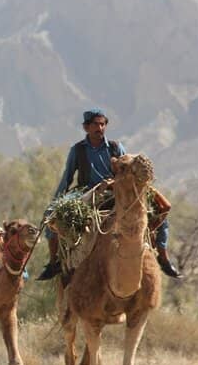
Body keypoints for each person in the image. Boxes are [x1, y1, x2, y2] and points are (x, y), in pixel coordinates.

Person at [37, 108, 182, 280]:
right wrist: (56, 202)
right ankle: (54, 262)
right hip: (85, 192)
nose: (100, 128)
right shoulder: (78, 150)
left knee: (159, 213)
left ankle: (163, 258)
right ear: (86, 127)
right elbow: (67, 178)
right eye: (95, 124)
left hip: (115, 191)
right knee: (51, 215)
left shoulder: (115, 147)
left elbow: (126, 170)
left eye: (103, 124)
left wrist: (113, 183)